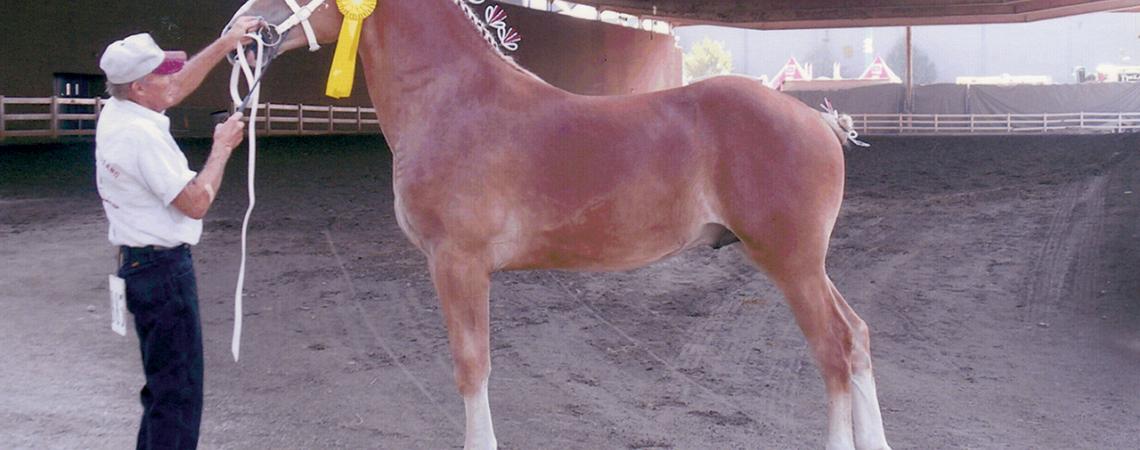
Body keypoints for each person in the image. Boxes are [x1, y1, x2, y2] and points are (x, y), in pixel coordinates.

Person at [95, 17, 260, 449]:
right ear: (139, 88)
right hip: (162, 272)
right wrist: (222, 148)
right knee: (179, 398)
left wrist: (225, 42)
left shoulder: (118, 109)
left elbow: (176, 85)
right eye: (159, 74)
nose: (170, 80)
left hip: (141, 266)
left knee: (164, 391)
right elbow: (196, 200)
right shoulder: (140, 137)